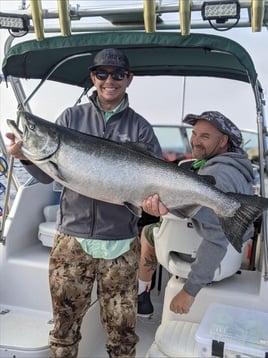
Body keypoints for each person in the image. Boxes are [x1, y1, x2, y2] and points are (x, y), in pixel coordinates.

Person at [6, 48, 162, 358]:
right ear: (92, 77)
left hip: (120, 243)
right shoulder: (70, 118)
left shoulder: (141, 128)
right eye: (102, 74)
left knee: (122, 331)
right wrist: (25, 157)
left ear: (129, 79)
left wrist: (153, 206)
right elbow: (51, 175)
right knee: (64, 326)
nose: (109, 81)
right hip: (72, 241)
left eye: (118, 74)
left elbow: (153, 186)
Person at [137, 111, 255, 317]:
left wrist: (190, 291)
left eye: (205, 136)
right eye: (194, 134)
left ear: (224, 141)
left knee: (147, 231)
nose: (195, 142)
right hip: (224, 253)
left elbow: (217, 238)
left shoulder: (218, 175)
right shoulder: (231, 167)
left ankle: (141, 295)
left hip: (201, 255)